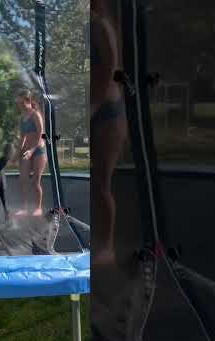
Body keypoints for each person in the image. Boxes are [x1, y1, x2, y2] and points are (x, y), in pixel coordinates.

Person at [90, 0, 128, 264]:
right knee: (93, 183)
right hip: (92, 112)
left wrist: (93, 106)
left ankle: (107, 248)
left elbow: (110, 72)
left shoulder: (101, 26)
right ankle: (96, 238)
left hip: (108, 113)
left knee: (102, 183)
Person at [14, 89, 47, 217]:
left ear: (28, 101)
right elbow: (22, 138)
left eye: (22, 103)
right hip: (27, 151)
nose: (20, 106)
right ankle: (23, 208)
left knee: (35, 181)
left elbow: (41, 134)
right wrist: (17, 154)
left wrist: (32, 150)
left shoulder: (35, 115)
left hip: (38, 151)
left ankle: (38, 208)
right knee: (22, 180)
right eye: (18, 104)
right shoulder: (22, 118)